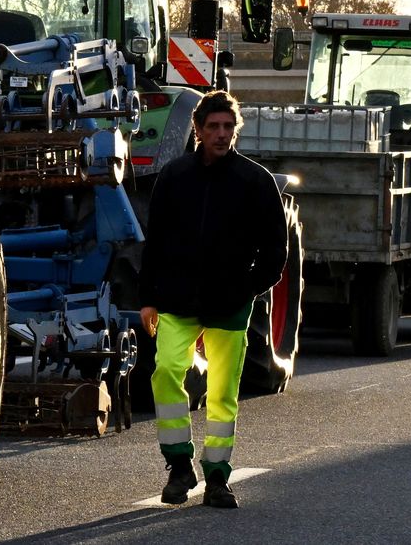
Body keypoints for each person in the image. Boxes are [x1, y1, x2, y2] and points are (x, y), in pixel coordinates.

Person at [139, 90, 287, 509]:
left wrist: (247, 289)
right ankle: (179, 466)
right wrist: (148, 298)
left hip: (231, 305)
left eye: (228, 127)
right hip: (176, 300)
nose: (221, 135)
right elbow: (155, 243)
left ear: (235, 129)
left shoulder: (256, 181)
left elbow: (276, 250)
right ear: (198, 131)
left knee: (222, 392)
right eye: (213, 127)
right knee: (166, 371)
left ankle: (218, 479)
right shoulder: (173, 177)